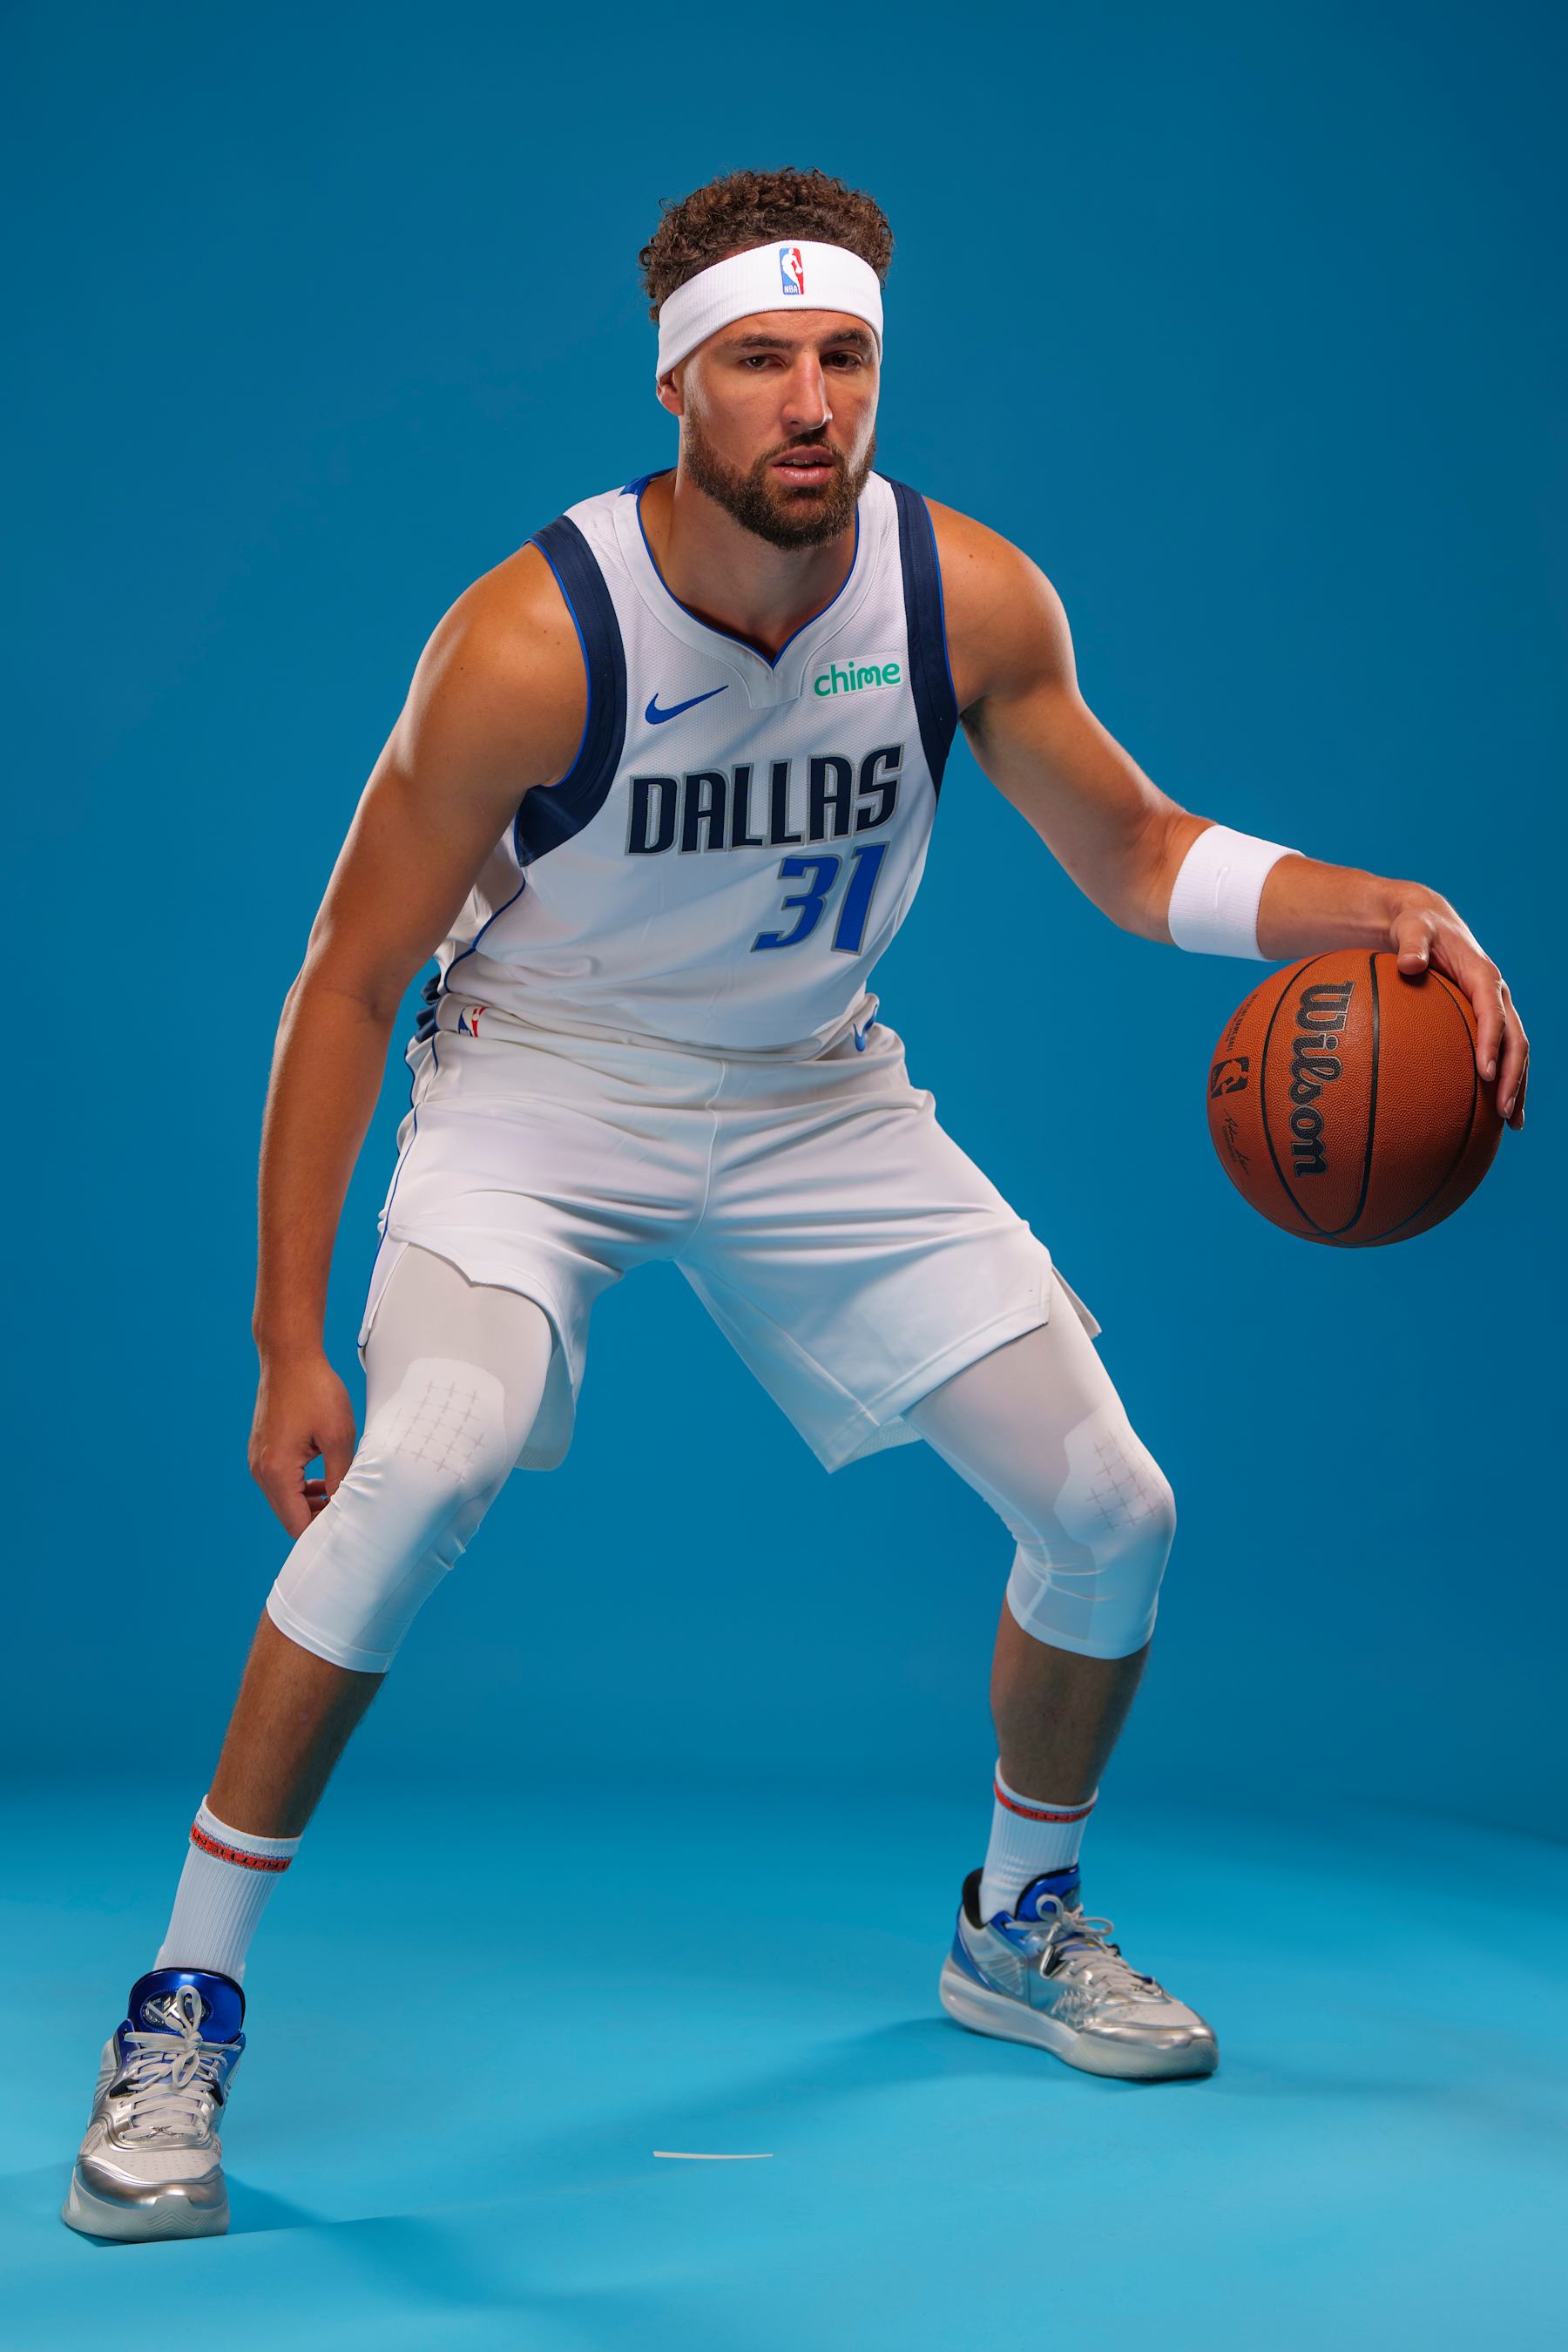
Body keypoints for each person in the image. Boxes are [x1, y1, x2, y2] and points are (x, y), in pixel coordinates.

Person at [63, 166, 1529, 2243]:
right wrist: (287, 1332)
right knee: (424, 1464)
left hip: (816, 1095)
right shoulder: (529, 638)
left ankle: (1017, 1924)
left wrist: (1373, 900)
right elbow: (350, 979)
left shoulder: (964, 597)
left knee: (1117, 1514)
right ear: (680, 386)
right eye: (762, 360)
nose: (811, 401)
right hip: (541, 1091)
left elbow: (1135, 851)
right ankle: (181, 1999)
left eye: (842, 356)